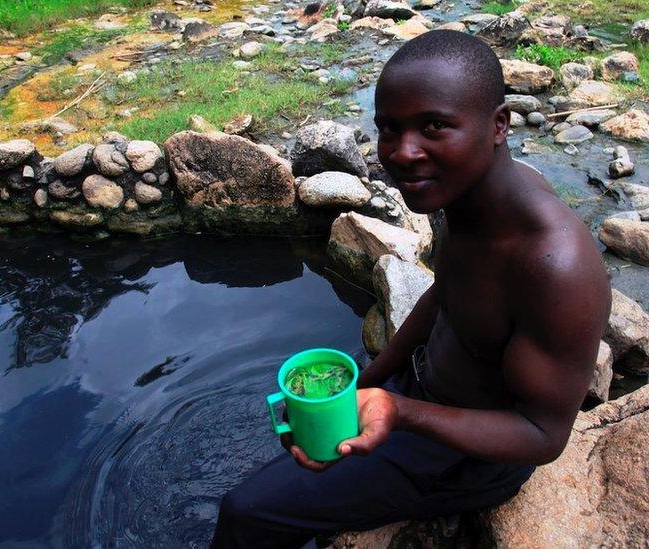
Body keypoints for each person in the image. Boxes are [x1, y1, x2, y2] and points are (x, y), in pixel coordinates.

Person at [211, 29, 611, 548]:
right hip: (419, 392)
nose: (403, 154)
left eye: (434, 127)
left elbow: (543, 435)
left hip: (465, 460)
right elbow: (445, 295)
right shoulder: (465, 195)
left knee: (246, 513)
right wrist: (369, 383)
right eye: (388, 129)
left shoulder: (555, 267)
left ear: (499, 124)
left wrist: (399, 411)